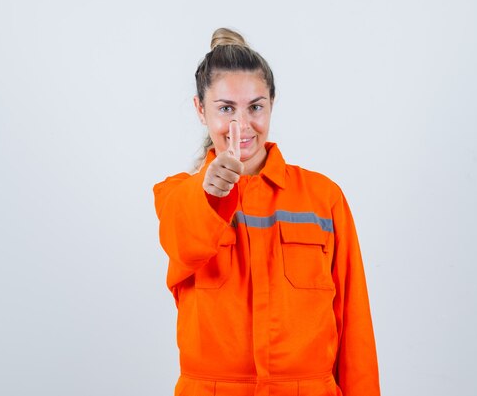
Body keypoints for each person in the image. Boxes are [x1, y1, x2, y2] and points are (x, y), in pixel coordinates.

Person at [153, 28, 380, 396]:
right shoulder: (177, 195)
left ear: (272, 103)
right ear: (200, 109)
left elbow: (355, 327)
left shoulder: (323, 198)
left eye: (255, 107)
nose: (241, 126)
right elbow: (183, 242)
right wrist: (210, 191)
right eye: (226, 108)